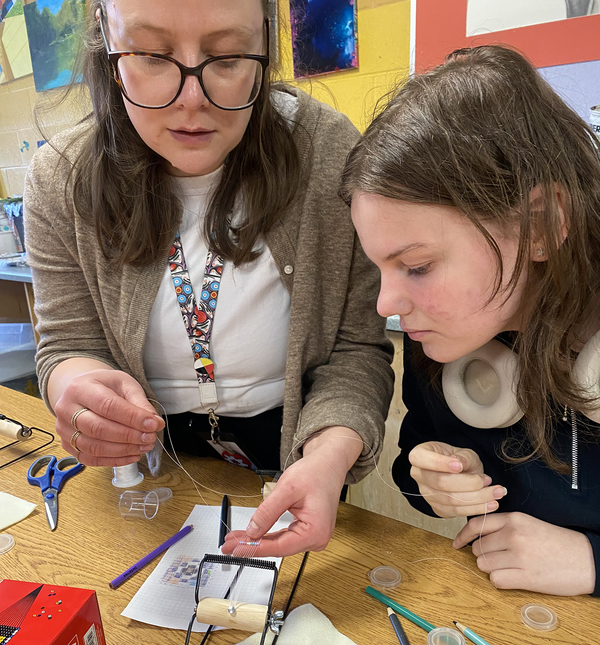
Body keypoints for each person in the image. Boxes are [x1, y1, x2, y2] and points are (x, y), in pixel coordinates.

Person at [25, 0, 393, 558]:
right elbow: (68, 344)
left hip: (296, 444)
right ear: (107, 41)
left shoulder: (330, 154)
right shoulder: (61, 178)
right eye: (152, 55)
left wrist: (327, 456)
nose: (190, 99)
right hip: (148, 464)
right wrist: (76, 390)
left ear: (266, 44)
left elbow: (356, 348)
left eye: (226, 57)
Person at [340, 45, 600, 596]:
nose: (388, 302)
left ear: (540, 225)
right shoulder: (444, 334)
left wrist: (592, 561)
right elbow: (419, 449)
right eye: (380, 267)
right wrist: (430, 474)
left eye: (416, 266)